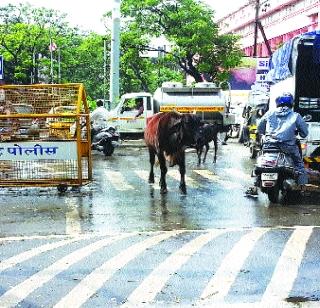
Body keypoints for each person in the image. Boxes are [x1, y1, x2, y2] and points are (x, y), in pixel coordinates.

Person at [245, 92, 308, 196]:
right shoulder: (296, 116)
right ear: (291, 103)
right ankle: (302, 188)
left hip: (269, 146)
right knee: (299, 164)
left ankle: (254, 187)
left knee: (262, 162)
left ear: (277, 103)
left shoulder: (269, 113)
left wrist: (266, 133)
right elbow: (304, 133)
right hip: (289, 147)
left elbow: (260, 128)